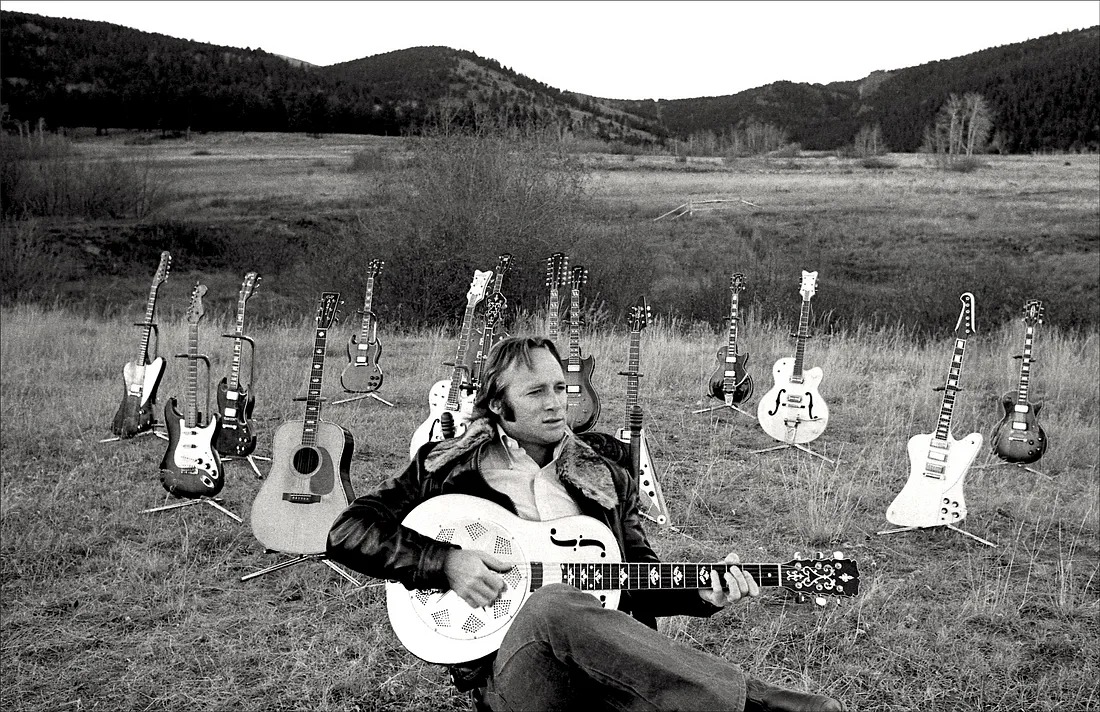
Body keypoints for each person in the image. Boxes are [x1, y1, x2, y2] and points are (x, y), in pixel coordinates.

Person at [327, 336, 846, 712]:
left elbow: (636, 577)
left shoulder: (603, 469)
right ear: (496, 405)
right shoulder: (445, 467)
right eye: (535, 393)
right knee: (551, 605)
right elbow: (346, 532)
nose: (556, 403)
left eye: (560, 387)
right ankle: (764, 706)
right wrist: (445, 561)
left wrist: (700, 596)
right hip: (517, 679)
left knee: (571, 610)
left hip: (604, 676)